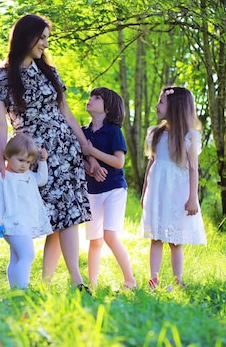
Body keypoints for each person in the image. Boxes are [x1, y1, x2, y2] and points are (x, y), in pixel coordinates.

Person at [0, 13, 94, 293]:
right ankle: (27, 282)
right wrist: (2, 159)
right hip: (31, 154)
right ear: (26, 36)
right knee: (33, 215)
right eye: (41, 38)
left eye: (47, 39)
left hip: (65, 150)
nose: (45, 44)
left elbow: (66, 112)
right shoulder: (0, 76)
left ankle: (76, 282)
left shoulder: (50, 72)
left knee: (68, 214)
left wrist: (86, 148)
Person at [140, 86, 207, 290]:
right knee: (156, 237)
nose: (156, 105)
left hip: (178, 193)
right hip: (158, 192)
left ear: (175, 107)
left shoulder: (189, 137)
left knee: (175, 240)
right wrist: (144, 194)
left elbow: (194, 169)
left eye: (161, 102)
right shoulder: (156, 133)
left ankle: (178, 280)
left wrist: (192, 198)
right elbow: (151, 164)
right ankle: (154, 280)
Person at [82, 87, 137, 290]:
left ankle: (130, 280)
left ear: (108, 108)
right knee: (94, 240)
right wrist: (90, 167)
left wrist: (91, 151)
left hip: (114, 188)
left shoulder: (113, 131)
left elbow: (118, 161)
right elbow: (81, 161)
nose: (90, 100)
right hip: (92, 191)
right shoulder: (83, 132)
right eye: (91, 96)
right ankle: (92, 284)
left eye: (96, 98)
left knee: (109, 235)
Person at [0, 133, 53, 289]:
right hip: (11, 223)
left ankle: (15, 290)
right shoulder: (2, 177)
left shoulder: (29, 175)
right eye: (20, 160)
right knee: (27, 255)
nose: (24, 165)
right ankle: (23, 289)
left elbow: (42, 179)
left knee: (17, 257)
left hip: (24, 223)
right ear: (8, 156)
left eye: (28, 162)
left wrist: (43, 161)